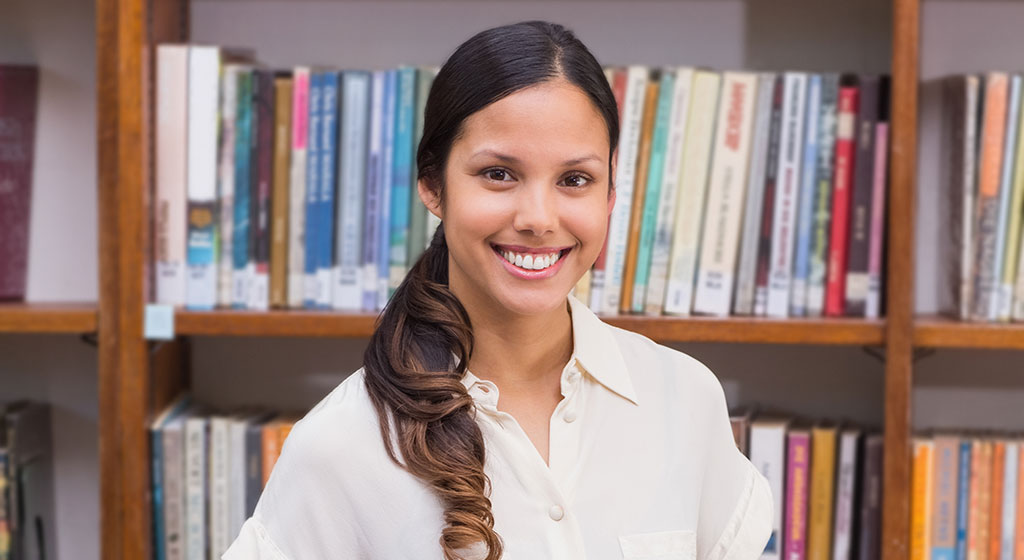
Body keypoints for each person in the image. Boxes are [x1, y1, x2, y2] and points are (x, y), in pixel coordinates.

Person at [224, 20, 772, 560]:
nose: (538, 218)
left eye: (575, 180)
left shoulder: (685, 399)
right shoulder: (340, 444)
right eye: (499, 174)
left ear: (610, 194)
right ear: (433, 186)